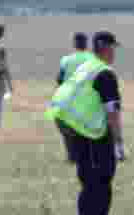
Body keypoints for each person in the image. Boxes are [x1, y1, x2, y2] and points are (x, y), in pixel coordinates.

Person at [47, 31, 127, 215]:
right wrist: (119, 143)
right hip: (96, 137)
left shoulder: (86, 68)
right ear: (106, 48)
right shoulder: (104, 74)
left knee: (90, 187)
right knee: (99, 189)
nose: (114, 54)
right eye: (113, 48)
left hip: (80, 134)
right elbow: (112, 110)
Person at [55, 32, 93, 163]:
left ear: (74, 44)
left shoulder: (66, 60)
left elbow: (59, 80)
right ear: (86, 43)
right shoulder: (93, 59)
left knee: (65, 128)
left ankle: (72, 155)